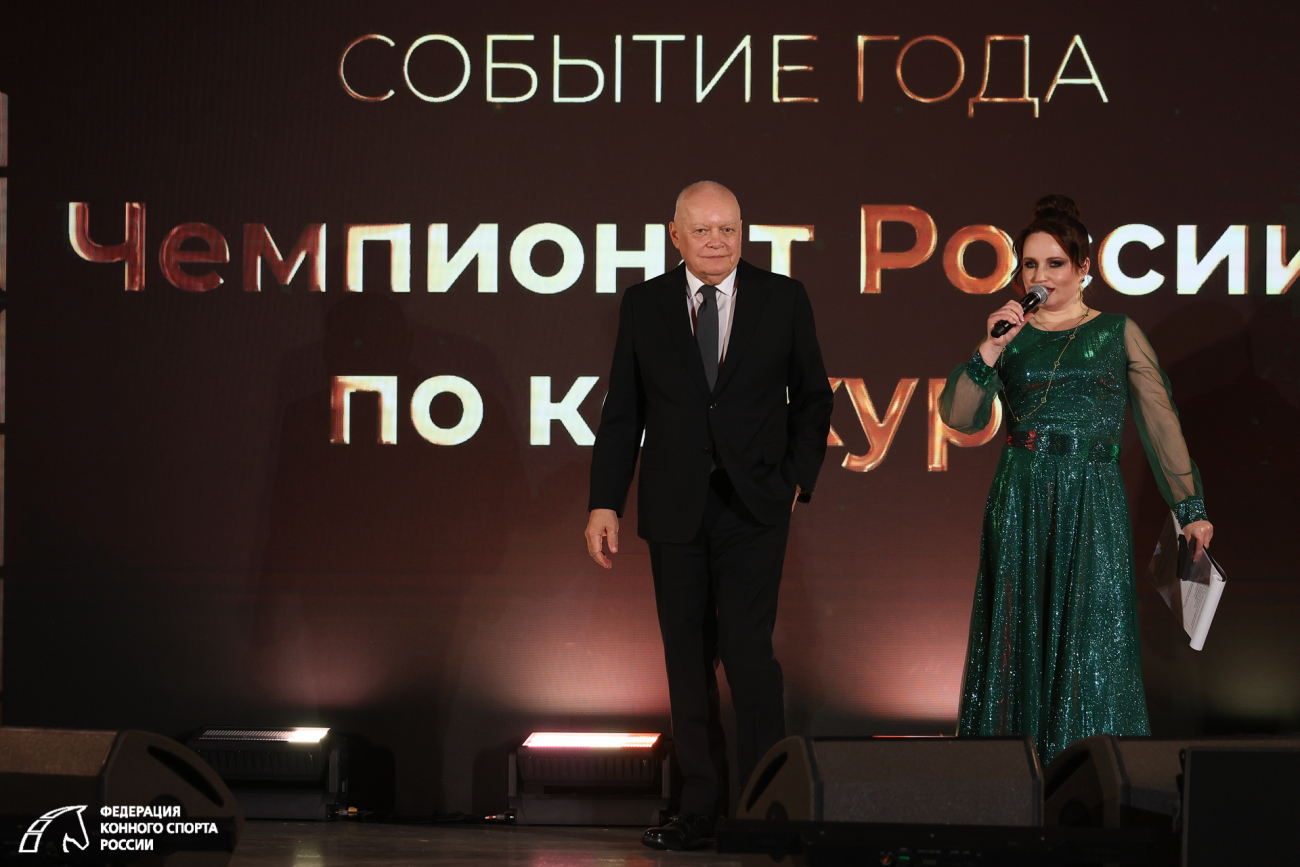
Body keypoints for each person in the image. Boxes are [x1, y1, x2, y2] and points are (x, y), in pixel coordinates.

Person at [585, 181, 833, 850]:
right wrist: (605, 501)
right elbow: (622, 412)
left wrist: (793, 480)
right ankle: (700, 807)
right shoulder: (643, 305)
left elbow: (814, 398)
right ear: (676, 235)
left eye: (729, 229)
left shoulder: (783, 298)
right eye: (703, 230)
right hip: (674, 508)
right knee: (687, 658)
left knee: (749, 654)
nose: (718, 241)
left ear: (742, 231)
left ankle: (766, 804)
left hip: (754, 505)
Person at [939, 194, 1214, 765]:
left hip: (1092, 497)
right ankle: (1007, 775)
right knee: (1018, 632)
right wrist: (989, 347)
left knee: (1092, 640)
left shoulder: (1116, 331)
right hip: (1021, 496)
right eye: (1029, 265)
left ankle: (1089, 776)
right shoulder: (1010, 335)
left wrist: (1190, 508)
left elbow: (1160, 422)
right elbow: (959, 417)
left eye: (1055, 264)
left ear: (1084, 267)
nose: (1040, 277)